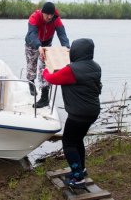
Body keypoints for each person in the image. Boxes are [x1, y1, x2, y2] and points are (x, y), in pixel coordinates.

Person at [42, 38, 102, 189]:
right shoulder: (96, 67)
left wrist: (44, 69)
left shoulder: (72, 70)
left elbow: (52, 78)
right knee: (78, 139)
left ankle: (78, 177)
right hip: (92, 111)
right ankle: (81, 169)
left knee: (68, 143)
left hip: (78, 114)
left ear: (76, 51)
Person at [25, 2, 70, 108]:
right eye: (47, 15)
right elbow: (31, 34)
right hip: (32, 43)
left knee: (45, 68)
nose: (49, 17)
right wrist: (38, 46)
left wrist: (67, 47)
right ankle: (31, 84)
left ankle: (45, 97)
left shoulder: (56, 19)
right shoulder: (34, 17)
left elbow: (62, 34)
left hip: (46, 44)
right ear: (42, 13)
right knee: (31, 65)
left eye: (51, 14)